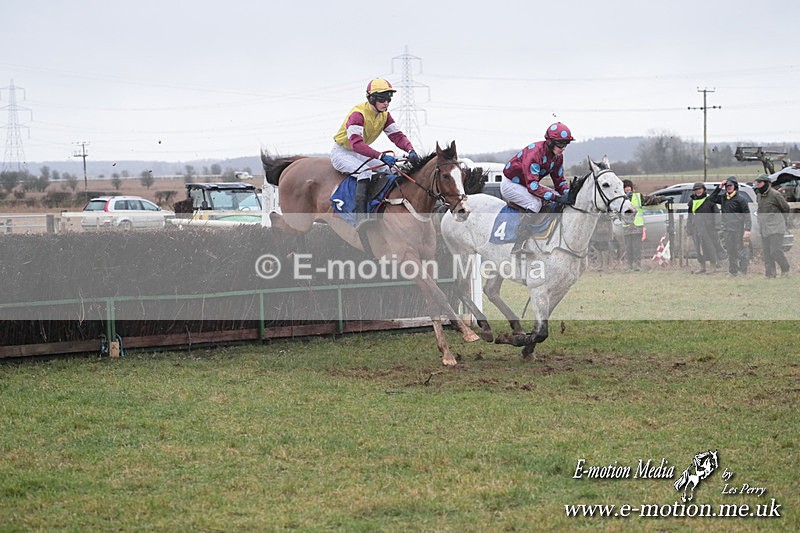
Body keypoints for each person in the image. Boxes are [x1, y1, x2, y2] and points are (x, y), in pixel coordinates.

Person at [331, 78, 420, 226]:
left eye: (389, 99)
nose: (386, 103)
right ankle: (361, 218)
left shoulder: (385, 115)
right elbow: (356, 144)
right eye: (382, 99)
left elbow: (397, 136)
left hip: (359, 152)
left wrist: (410, 149)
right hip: (343, 152)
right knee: (365, 172)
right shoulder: (358, 114)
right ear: (371, 98)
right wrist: (381, 156)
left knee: (390, 168)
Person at [501, 122, 573, 253]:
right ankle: (520, 243)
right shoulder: (535, 154)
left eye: (566, 144)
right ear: (550, 142)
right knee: (535, 204)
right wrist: (557, 197)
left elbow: (560, 182)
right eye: (561, 144)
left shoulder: (558, 157)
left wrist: (569, 194)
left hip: (526, 184)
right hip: (511, 184)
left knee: (557, 198)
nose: (563, 148)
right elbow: (533, 187)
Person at [708, 176, 751, 276]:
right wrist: (719, 187)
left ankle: (743, 271)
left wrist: (747, 229)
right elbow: (711, 199)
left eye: (730, 185)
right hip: (727, 229)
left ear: (735, 186)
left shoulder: (741, 199)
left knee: (740, 250)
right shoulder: (723, 198)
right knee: (731, 251)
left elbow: (746, 215)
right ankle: (733, 271)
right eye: (727, 186)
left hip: (738, 229)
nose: (728, 187)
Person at [621, 179, 664, 271]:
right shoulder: (620, 199)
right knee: (628, 248)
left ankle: (637, 265)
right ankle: (629, 265)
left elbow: (650, 200)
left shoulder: (638, 196)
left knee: (637, 247)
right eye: (625, 187)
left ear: (632, 188)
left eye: (629, 187)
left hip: (637, 226)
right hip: (627, 227)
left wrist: (661, 198)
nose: (627, 189)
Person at [752, 175, 791, 278]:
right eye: (757, 182)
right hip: (764, 228)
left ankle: (785, 269)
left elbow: (786, 208)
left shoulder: (775, 194)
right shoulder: (759, 195)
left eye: (760, 182)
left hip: (776, 228)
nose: (758, 184)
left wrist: (780, 220)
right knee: (767, 253)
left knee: (775, 250)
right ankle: (770, 274)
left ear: (766, 183)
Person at [686, 182, 719, 274]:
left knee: (710, 247)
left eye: (700, 189)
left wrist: (717, 226)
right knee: (698, 248)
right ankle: (702, 267)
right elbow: (690, 216)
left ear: (704, 189)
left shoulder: (709, 200)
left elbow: (716, 213)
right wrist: (689, 229)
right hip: (696, 228)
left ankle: (713, 267)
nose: (698, 191)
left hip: (709, 229)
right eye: (696, 190)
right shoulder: (692, 202)